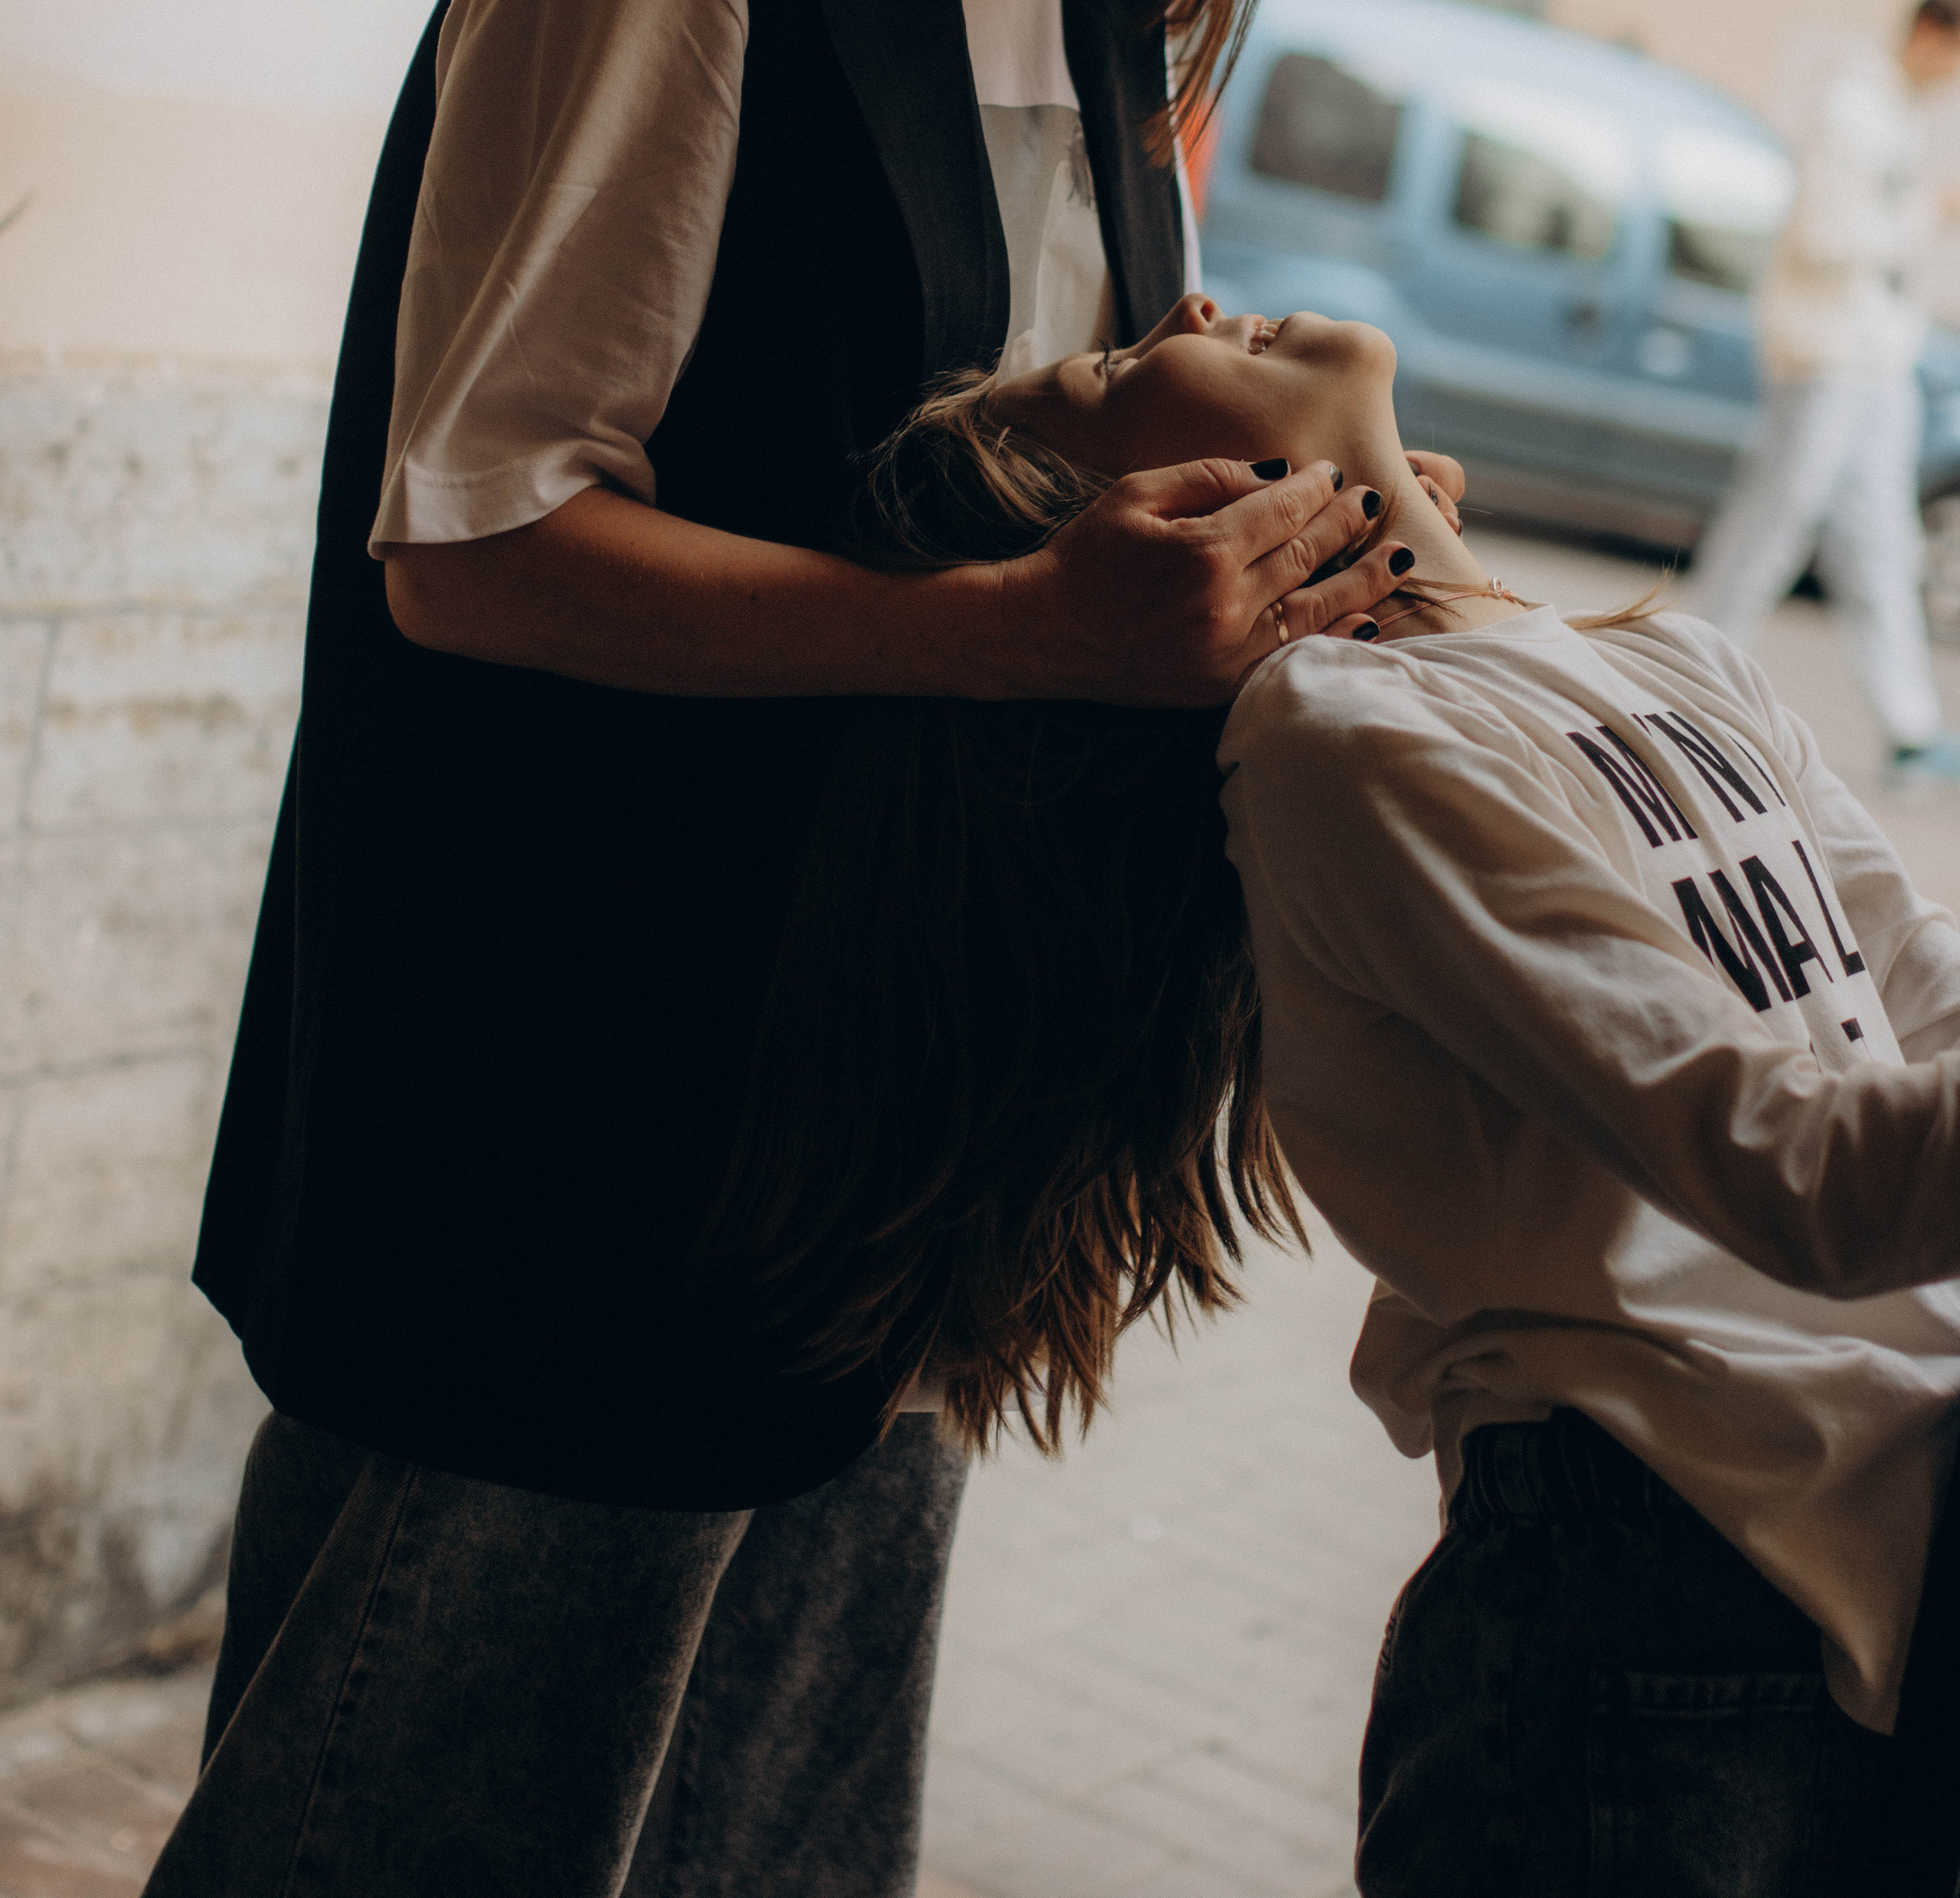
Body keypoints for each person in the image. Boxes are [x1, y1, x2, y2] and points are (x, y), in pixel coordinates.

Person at [146, 0, 1542, 1896]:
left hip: (882, 1160)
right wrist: (1015, 635)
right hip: (572, 1119)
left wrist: (1285, 531)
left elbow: (971, 435)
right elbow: (475, 541)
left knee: (760, 1855)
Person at [734, 294, 1960, 1893]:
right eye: (1118, 368)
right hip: (1645, 1574)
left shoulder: (1673, 656)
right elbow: (1810, 1178)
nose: (1183, 303)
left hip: (1870, 1550)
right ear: (1160, 527)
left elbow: (1914, 1018)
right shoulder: (1344, 735)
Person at [1692, 0, 1960, 787]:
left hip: (1876, 355)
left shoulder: (1898, 115)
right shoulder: (1853, 110)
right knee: (1774, 521)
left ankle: (1911, 729)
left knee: (1881, 544)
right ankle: (1685, 678)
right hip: (1826, 354)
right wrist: (1924, 216)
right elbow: (1825, 235)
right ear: (1928, 34)